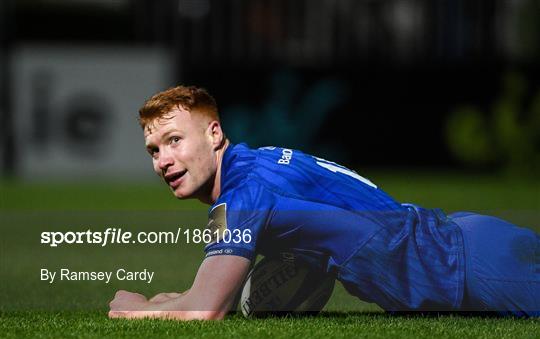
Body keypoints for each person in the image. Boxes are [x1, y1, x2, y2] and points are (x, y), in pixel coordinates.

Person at [108, 86, 539, 320]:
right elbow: (211, 289)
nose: (163, 160)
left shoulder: (244, 196)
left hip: (469, 267)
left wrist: (138, 309)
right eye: (154, 150)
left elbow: (205, 311)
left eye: (174, 140)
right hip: (464, 243)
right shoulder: (254, 167)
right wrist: (177, 298)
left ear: (215, 134)